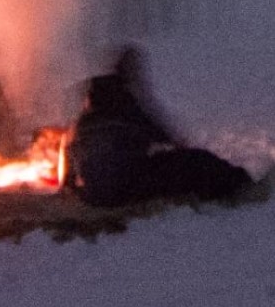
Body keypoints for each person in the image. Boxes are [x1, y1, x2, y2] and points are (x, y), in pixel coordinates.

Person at [63, 46, 256, 208]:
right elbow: (160, 134)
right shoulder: (124, 108)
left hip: (93, 196)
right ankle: (240, 189)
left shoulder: (80, 124)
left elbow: (69, 168)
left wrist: (78, 191)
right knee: (196, 162)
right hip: (125, 189)